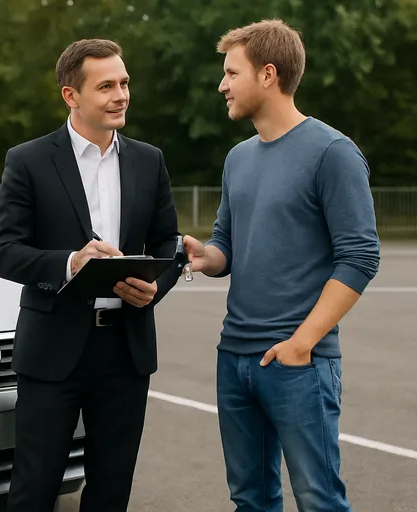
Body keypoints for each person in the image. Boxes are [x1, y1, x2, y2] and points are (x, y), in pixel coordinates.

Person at [183, 19, 380, 512]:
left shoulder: (332, 153)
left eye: (232, 73)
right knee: (250, 500)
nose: (222, 85)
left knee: (319, 500)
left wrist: (302, 343)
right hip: (234, 359)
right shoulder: (237, 158)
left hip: (300, 365)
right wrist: (203, 256)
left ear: (268, 74)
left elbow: (359, 256)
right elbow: (225, 246)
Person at [0, 39, 181, 511]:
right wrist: (70, 263)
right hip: (53, 350)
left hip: (126, 348)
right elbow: (5, 253)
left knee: (112, 489)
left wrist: (155, 289)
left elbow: (167, 246)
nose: (121, 95)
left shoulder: (148, 159)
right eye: (106, 86)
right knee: (35, 487)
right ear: (71, 96)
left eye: (124, 83)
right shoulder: (29, 160)